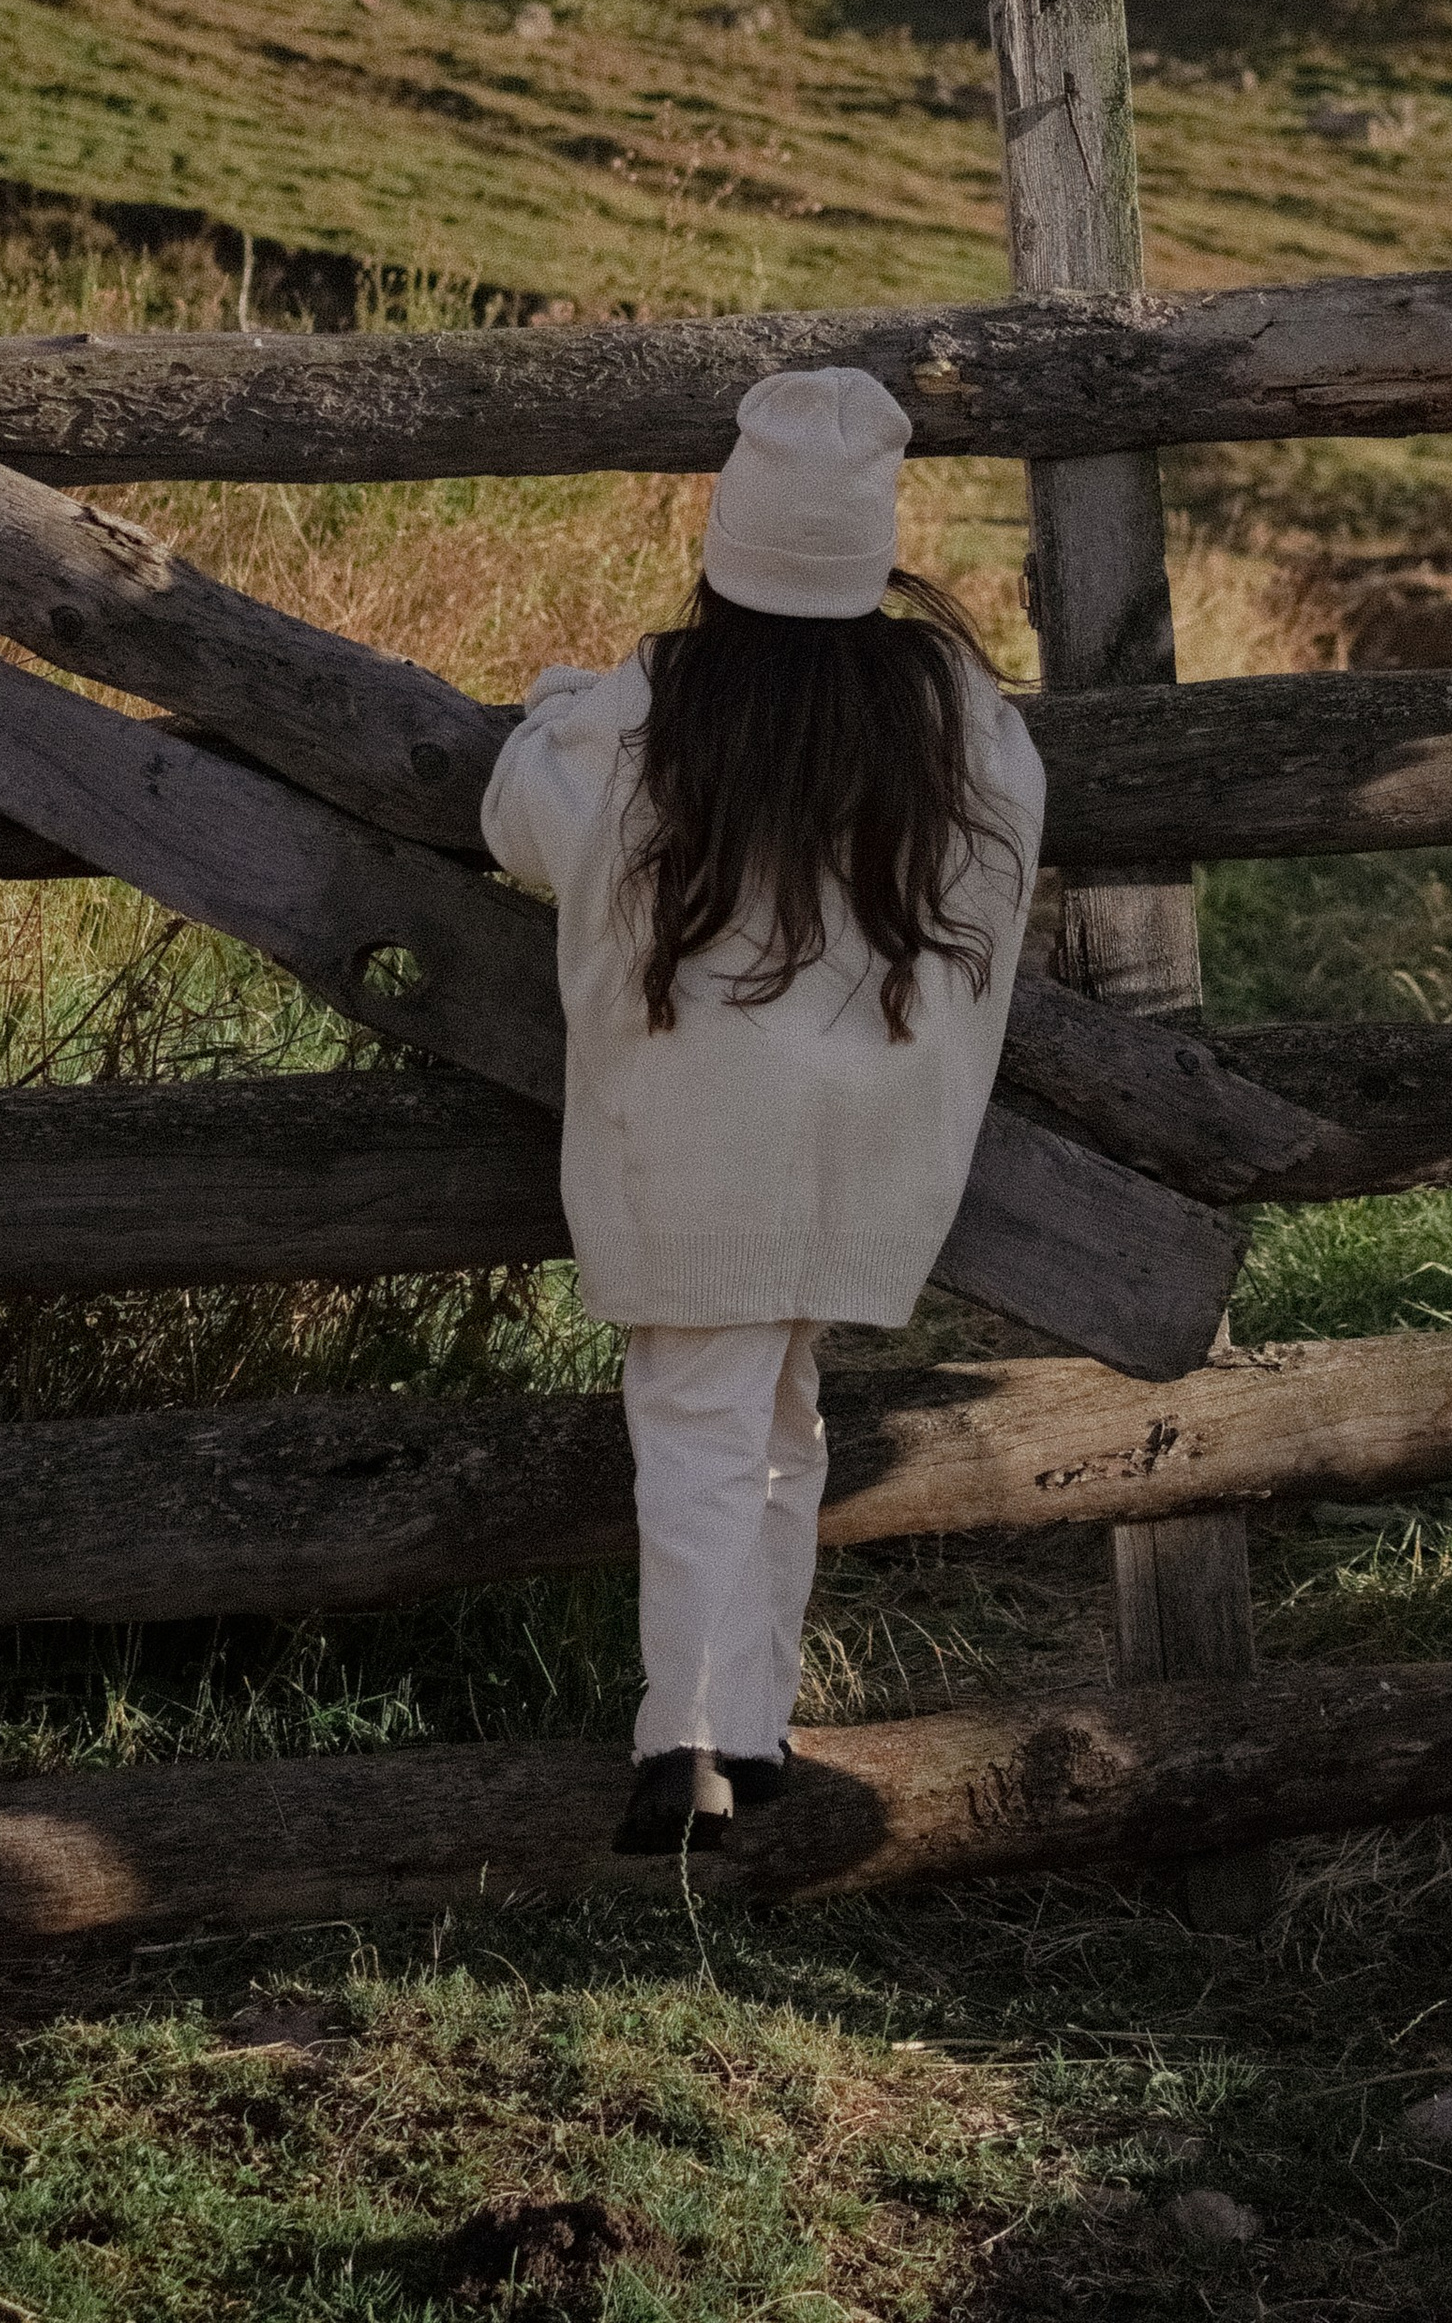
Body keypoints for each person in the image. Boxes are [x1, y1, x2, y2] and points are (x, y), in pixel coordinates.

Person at [481, 366, 1045, 1858]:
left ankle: (685, 1746)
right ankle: (754, 1725)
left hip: (694, 1141)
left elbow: (529, 824)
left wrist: (554, 706)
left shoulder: (665, 697)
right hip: (854, 1145)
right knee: (782, 1414)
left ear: (730, 540)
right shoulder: (937, 703)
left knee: (699, 1423)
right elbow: (1014, 813)